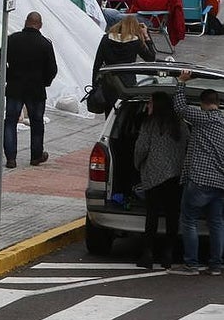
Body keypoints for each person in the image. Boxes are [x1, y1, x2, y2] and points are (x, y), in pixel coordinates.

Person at [169, 71, 224, 275]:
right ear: (217, 103)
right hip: (220, 183)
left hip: (200, 179)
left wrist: (181, 83)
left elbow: (180, 108)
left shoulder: (203, 118)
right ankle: (216, 265)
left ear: (203, 103)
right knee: (217, 222)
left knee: (189, 220)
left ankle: (191, 264)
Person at [0, 11, 57, 169]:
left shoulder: (12, 39)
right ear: (40, 25)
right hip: (36, 90)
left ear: (25, 22)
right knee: (37, 123)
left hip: (15, 88)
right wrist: (45, 82)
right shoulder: (45, 44)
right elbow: (52, 69)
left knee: (10, 122)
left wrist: (8, 77)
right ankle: (36, 156)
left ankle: (11, 158)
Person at [133, 93, 187, 270]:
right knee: (172, 215)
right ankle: (168, 254)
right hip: (175, 176)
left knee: (152, 215)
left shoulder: (150, 124)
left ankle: (148, 253)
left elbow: (141, 148)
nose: (148, 106)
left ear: (157, 105)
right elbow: (187, 144)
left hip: (154, 176)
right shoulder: (180, 124)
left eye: (149, 103)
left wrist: (137, 164)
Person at [91, 17, 156, 115]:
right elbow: (151, 58)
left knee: (109, 113)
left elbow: (97, 63)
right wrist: (146, 36)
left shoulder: (106, 38)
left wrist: (94, 85)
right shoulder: (135, 41)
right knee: (127, 111)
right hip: (127, 82)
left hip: (109, 81)